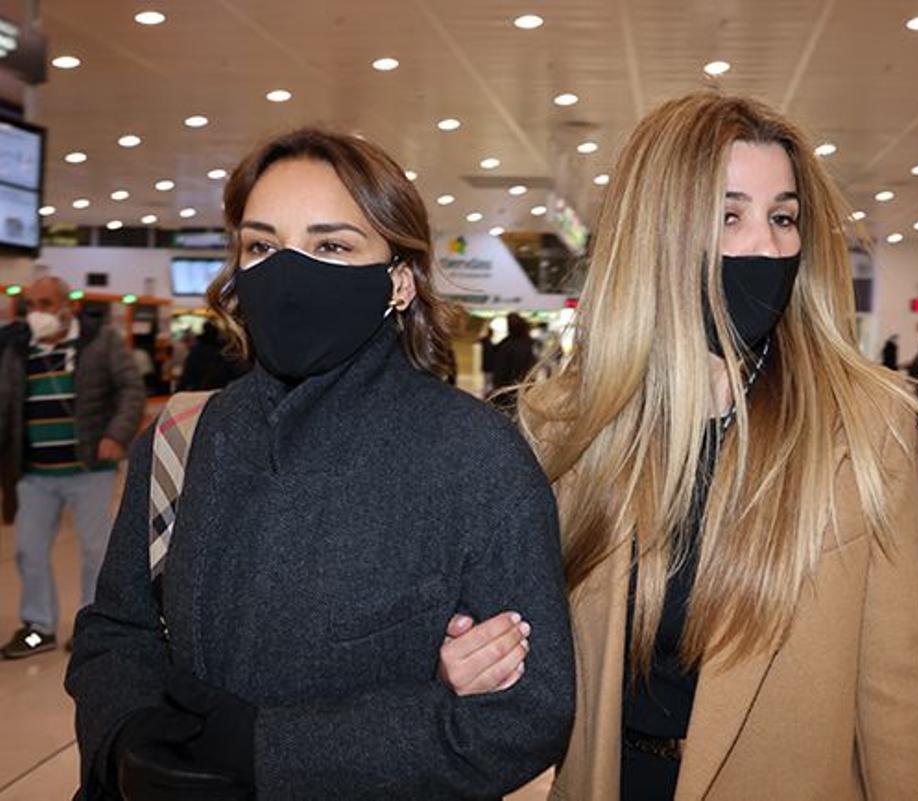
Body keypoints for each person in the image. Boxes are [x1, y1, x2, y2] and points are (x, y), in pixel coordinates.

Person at [444, 92, 918, 800]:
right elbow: (524, 647)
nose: (767, 247)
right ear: (659, 232)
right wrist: (467, 666)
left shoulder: (858, 426)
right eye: (729, 215)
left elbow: (896, 685)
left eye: (782, 218)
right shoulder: (566, 427)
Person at [65, 129, 574, 801]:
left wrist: (269, 751)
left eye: (331, 245)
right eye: (263, 245)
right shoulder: (182, 437)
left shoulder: (474, 458)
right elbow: (116, 626)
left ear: (397, 280)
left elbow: (528, 711)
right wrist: (128, 734)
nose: (287, 273)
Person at [0, 277, 146, 659]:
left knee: (96, 550)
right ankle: (37, 627)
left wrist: (116, 434)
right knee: (28, 551)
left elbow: (131, 390)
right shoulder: (15, 348)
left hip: (89, 470)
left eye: (46, 303)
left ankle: (91, 627)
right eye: (29, 305)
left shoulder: (101, 341)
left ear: (69, 306)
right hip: (33, 473)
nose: (37, 313)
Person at [177, 320, 250, 391]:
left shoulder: (198, 350)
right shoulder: (224, 350)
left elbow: (187, 374)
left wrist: (179, 391)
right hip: (222, 391)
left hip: (201, 391)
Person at [489, 312, 537, 412]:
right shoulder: (528, 343)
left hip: (507, 387)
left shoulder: (507, 345)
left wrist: (497, 387)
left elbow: (500, 370)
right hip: (524, 385)